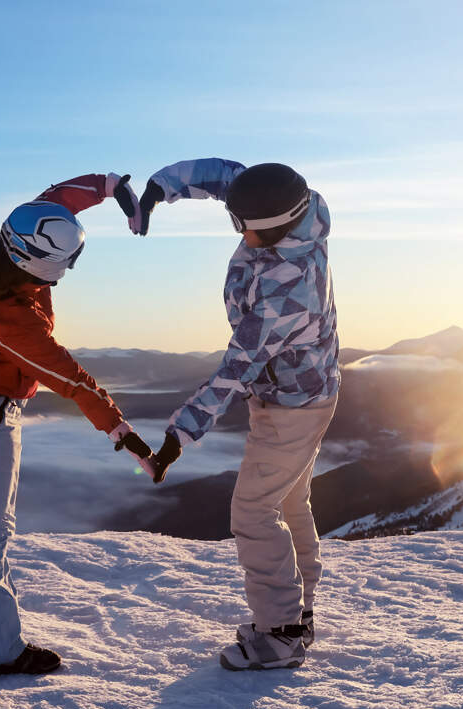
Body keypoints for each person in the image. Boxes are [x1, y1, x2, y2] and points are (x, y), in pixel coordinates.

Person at [0, 173, 156, 675]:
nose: (68, 270)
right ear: (39, 265)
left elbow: (55, 201)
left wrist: (111, 187)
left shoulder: (3, 256)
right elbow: (71, 379)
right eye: (66, 263)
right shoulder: (8, 320)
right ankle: (1, 651)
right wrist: (123, 433)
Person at [136, 159, 340, 671]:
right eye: (237, 222)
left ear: (279, 226)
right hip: (304, 392)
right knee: (289, 500)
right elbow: (229, 176)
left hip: (291, 406)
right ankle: (299, 614)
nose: (242, 234)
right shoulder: (285, 201)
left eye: (250, 229)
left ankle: (281, 633)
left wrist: (179, 437)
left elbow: (235, 370)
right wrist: (161, 188)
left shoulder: (287, 294)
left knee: (252, 512)